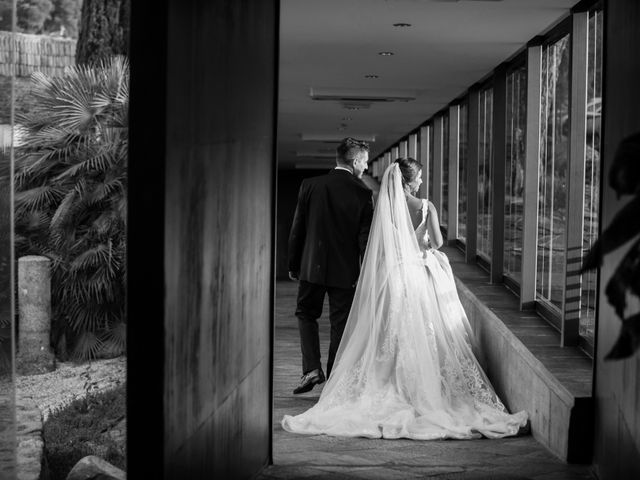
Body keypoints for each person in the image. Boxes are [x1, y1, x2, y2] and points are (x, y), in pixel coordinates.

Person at [282, 158, 528, 439]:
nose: (421, 182)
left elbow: (381, 247)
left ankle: (388, 384)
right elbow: (436, 243)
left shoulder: (384, 210)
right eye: (419, 178)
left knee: (392, 333)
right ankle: (424, 387)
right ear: (409, 181)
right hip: (421, 276)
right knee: (428, 331)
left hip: (394, 277)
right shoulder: (426, 207)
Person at [288, 137, 375, 395]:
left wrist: (294, 264)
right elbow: (365, 240)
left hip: (311, 267)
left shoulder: (310, 185)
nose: (366, 167)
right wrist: (365, 272)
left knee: (306, 314)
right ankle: (335, 381)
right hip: (345, 272)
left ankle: (311, 369)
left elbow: (298, 229)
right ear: (356, 161)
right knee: (340, 324)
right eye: (366, 162)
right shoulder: (362, 193)